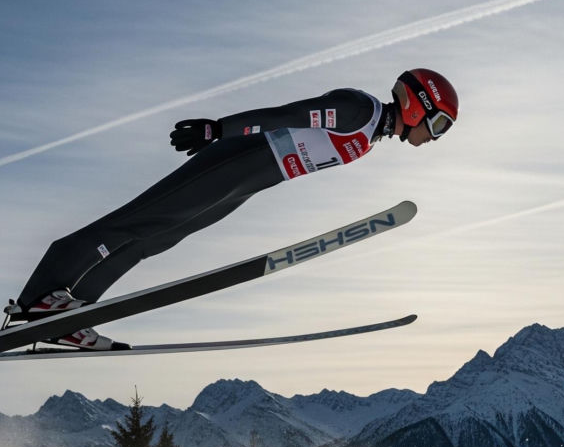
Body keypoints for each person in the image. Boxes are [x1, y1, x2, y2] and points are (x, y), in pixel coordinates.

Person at [4, 68, 459, 350]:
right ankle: (40, 297)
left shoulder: (371, 134)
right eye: (438, 124)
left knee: (156, 239)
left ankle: (71, 312)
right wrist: (218, 130)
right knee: (138, 221)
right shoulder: (360, 109)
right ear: (418, 106)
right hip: (240, 160)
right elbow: (289, 114)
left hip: (254, 179)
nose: (434, 137)